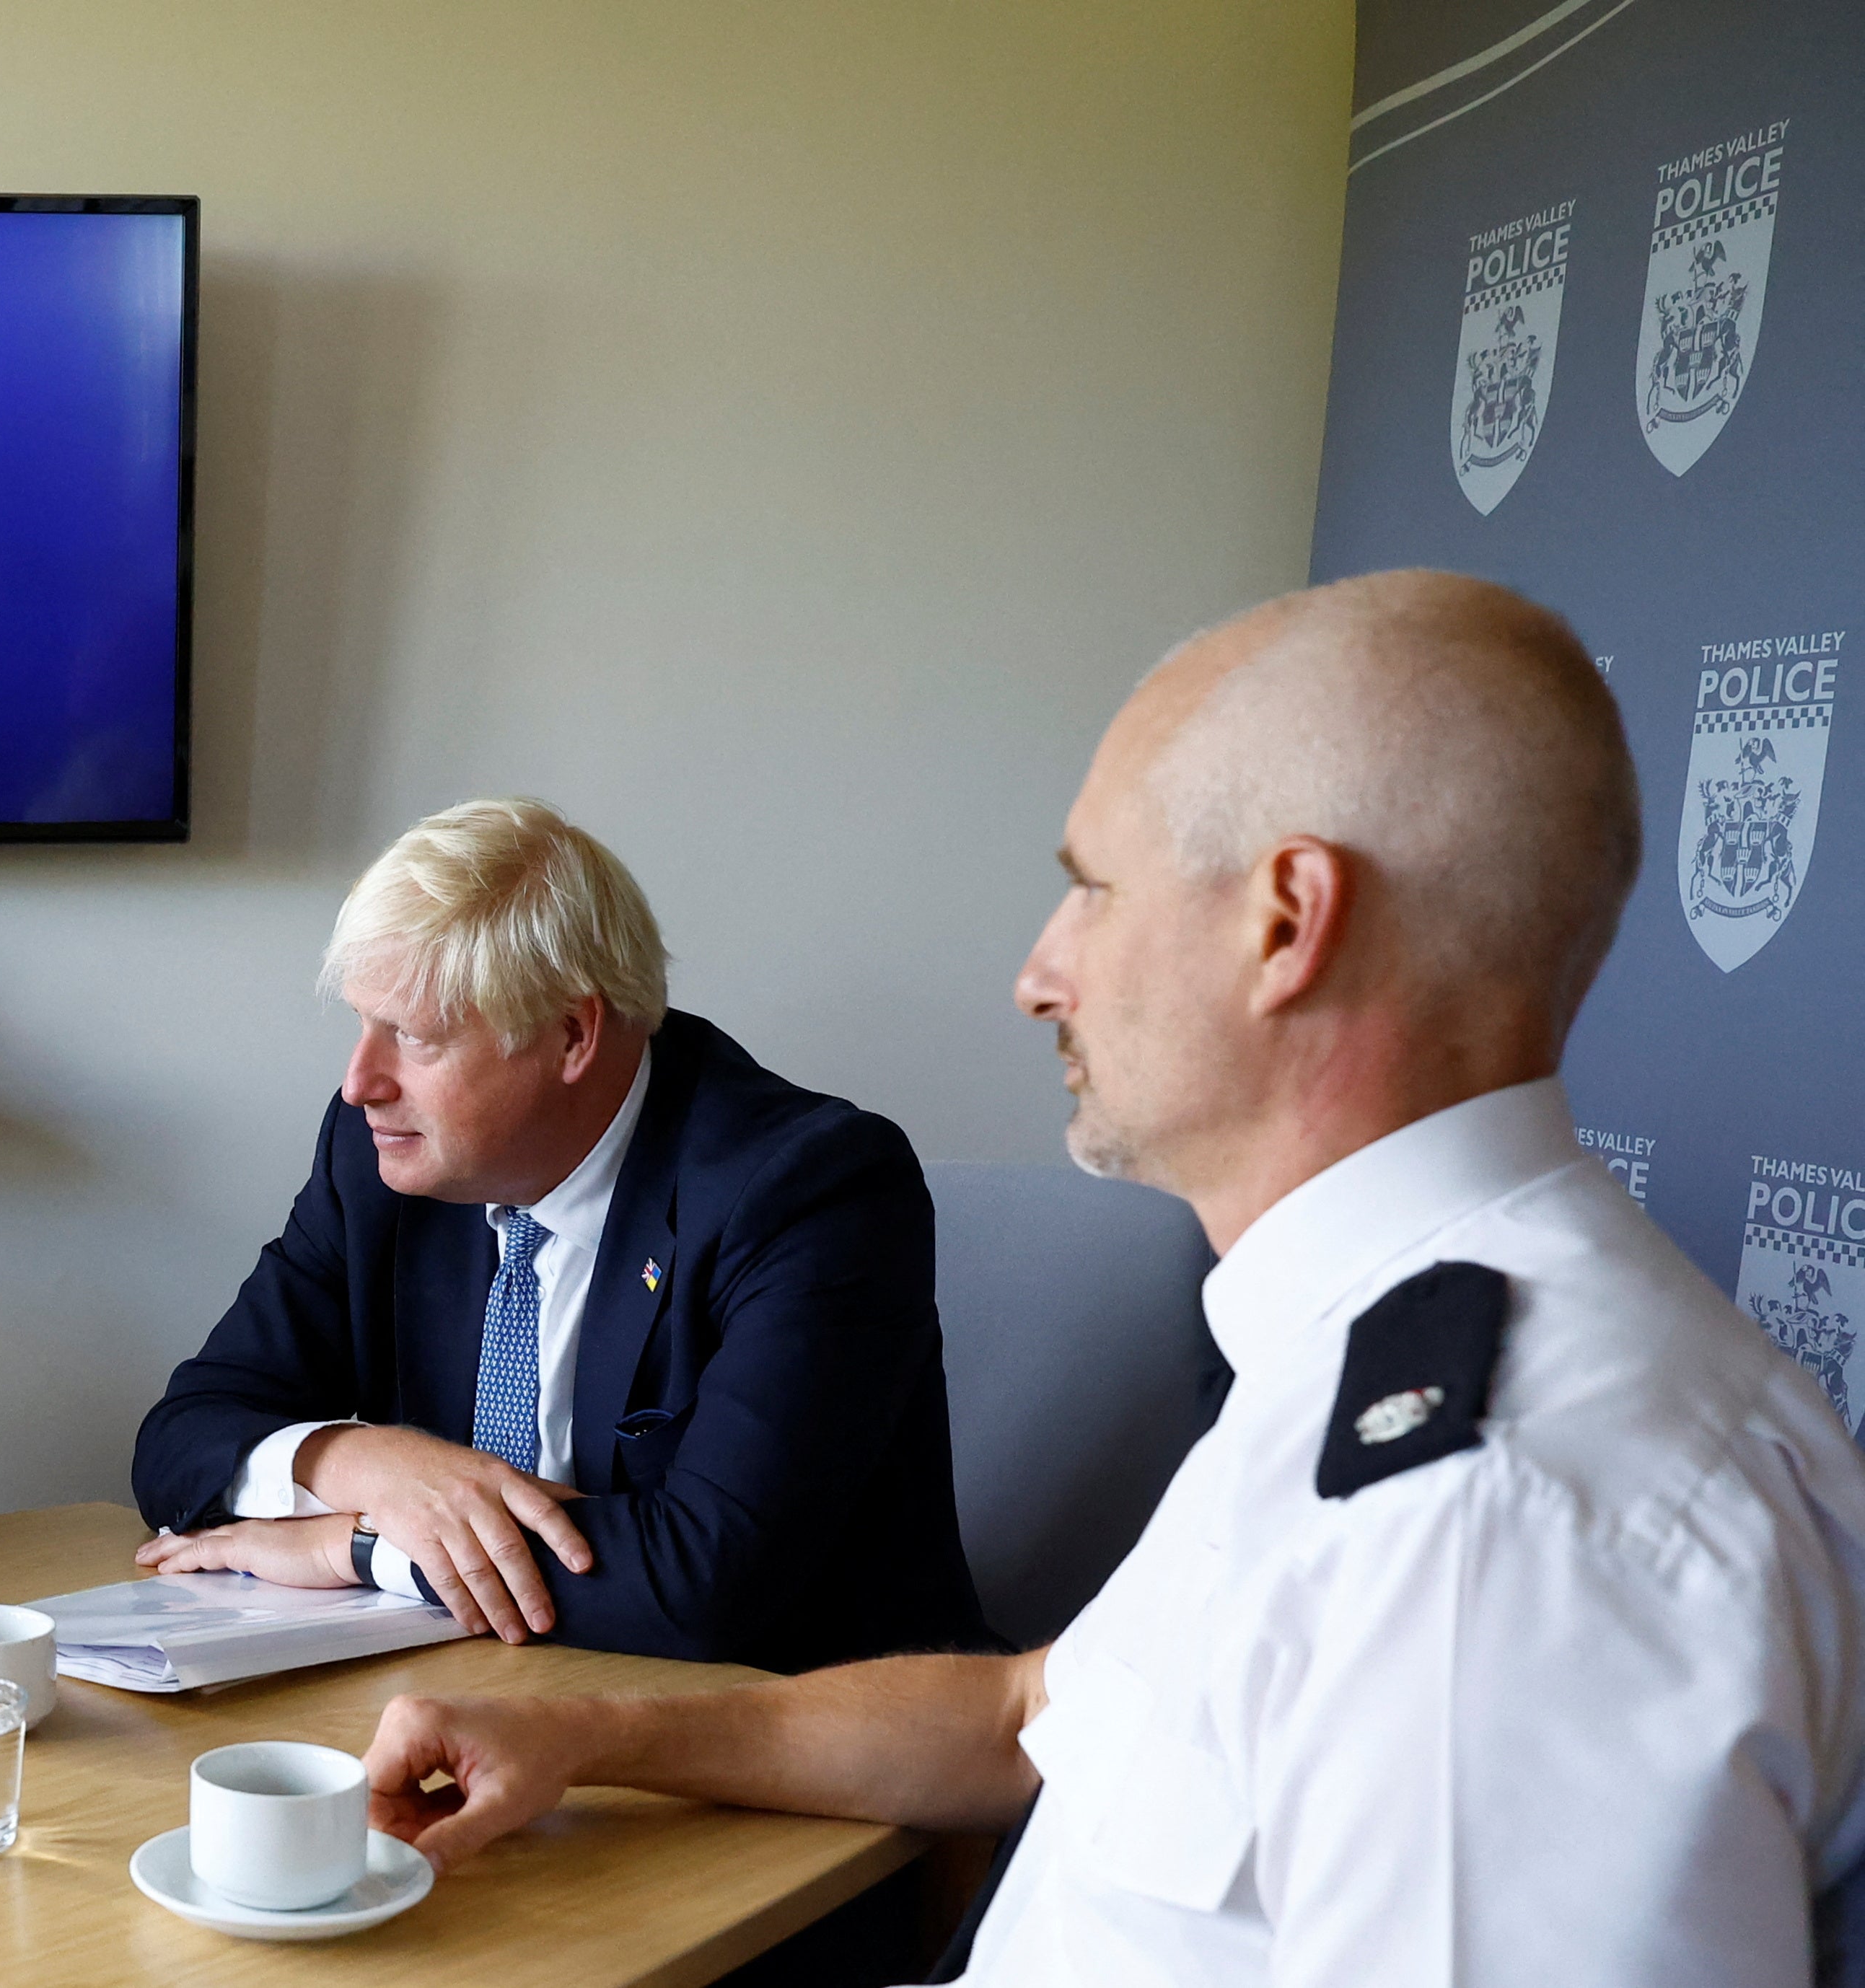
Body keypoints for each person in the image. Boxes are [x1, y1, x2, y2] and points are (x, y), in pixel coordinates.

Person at [356, 573, 1865, 1984]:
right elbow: (1030, 1713)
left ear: (1288, 922)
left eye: (1092, 888)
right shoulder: (1369, 1355)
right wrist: (586, 1737)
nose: (1039, 971)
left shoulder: (1491, 1524)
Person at [130, 798, 983, 1671]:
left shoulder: (812, 1188)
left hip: (798, 1739)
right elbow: (180, 1440)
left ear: (573, 1033)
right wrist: (364, 1461)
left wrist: (354, 1546)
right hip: (503, 1700)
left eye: (415, 1038)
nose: (360, 1083)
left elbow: (708, 1583)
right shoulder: (381, 1159)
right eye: (360, 1023)